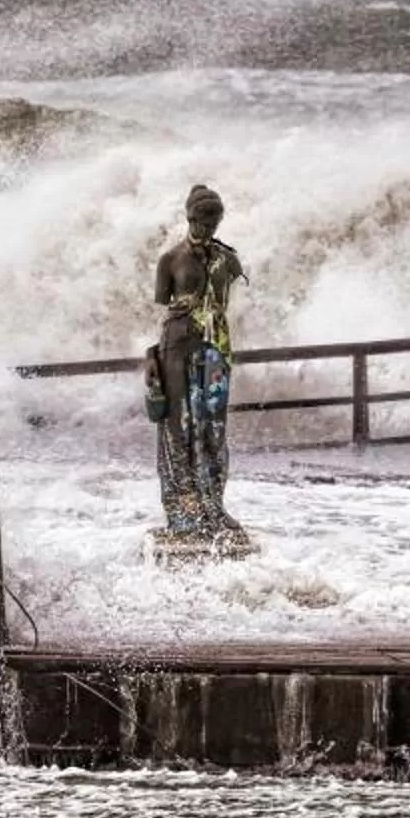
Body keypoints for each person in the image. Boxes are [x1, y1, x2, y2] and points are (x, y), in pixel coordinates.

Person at [152, 183, 248, 546]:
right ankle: (182, 509)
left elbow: (224, 301)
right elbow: (163, 309)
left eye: (214, 223)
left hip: (216, 349)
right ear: (189, 218)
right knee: (179, 427)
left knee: (214, 427)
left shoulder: (229, 259)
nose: (208, 229)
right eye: (202, 222)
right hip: (178, 347)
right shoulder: (170, 260)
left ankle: (214, 503)